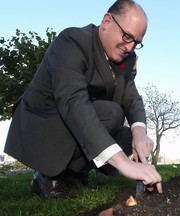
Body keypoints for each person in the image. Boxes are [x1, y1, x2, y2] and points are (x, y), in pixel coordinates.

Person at [4, 0, 162, 199]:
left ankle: (74, 174)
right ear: (106, 21)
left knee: (127, 131)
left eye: (136, 42)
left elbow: (132, 98)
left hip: (78, 119)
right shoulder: (72, 41)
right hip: (44, 120)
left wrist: (140, 133)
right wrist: (124, 163)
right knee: (110, 113)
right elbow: (73, 102)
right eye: (127, 36)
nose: (130, 48)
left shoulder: (126, 58)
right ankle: (46, 176)